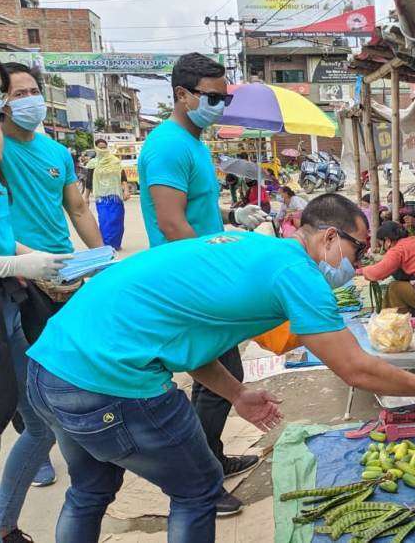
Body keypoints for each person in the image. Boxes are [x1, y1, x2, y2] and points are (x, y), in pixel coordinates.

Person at [25, 193, 415, 542]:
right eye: (358, 250)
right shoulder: (298, 274)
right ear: (327, 237)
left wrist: (237, 394)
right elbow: (356, 370)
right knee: (198, 489)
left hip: (49, 365)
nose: (358, 264)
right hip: (108, 383)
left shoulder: (250, 246)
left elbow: (191, 335)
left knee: (89, 490)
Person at [137, 52, 269, 515]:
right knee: (217, 381)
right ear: (182, 94)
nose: (220, 104)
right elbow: (172, 225)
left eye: (224, 96)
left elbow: (196, 209)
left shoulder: (193, 142)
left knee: (215, 381)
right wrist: (210, 279)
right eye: (213, 96)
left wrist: (233, 217)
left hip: (199, 275)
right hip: (187, 281)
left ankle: (210, 458)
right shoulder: (169, 145)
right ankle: (199, 484)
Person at [0, 43, 70, 543]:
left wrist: (41, 260)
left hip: (5, 310)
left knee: (41, 422)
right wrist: (13, 263)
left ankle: (4, 526)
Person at [0, 62, 106, 490]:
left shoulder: (57, 153)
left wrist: (97, 255)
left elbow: (76, 208)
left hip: (64, 270)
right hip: (20, 272)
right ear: (0, 104)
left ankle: (71, 436)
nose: (29, 101)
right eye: (17, 94)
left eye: (33, 91)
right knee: (32, 367)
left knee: (69, 355)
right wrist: (26, 259)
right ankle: (35, 443)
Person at [87, 138, 130, 250]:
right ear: (96, 148)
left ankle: (116, 244)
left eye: (104, 147)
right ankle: (106, 245)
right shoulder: (93, 163)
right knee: (105, 221)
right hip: (101, 198)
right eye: (100, 147)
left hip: (116, 196)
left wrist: (126, 190)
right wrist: (85, 197)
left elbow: (123, 177)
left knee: (117, 220)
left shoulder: (115, 161)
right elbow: (89, 181)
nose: (102, 149)